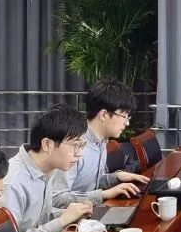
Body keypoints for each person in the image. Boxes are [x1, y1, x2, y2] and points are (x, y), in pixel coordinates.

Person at [3, 104, 95, 232]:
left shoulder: (47, 168)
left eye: (82, 145)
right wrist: (62, 221)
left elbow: (38, 218)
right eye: (75, 145)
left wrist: (69, 213)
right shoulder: (13, 182)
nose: (79, 153)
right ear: (47, 144)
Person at [56, 78, 149, 206]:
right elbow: (56, 198)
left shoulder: (101, 141)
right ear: (104, 115)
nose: (127, 123)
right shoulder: (73, 145)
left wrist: (116, 177)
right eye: (124, 116)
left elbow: (90, 183)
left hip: (91, 210)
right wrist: (103, 194)